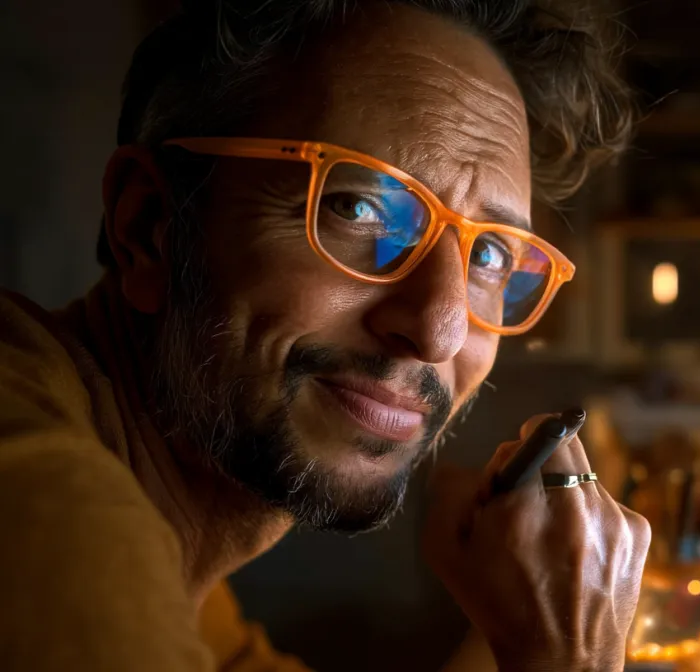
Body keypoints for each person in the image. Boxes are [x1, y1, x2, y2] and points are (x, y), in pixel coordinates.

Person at [0, 1, 650, 670]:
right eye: (359, 208)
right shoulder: (50, 517)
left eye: (488, 255)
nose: (440, 332)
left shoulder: (171, 539)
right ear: (149, 227)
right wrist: (571, 659)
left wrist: (529, 630)